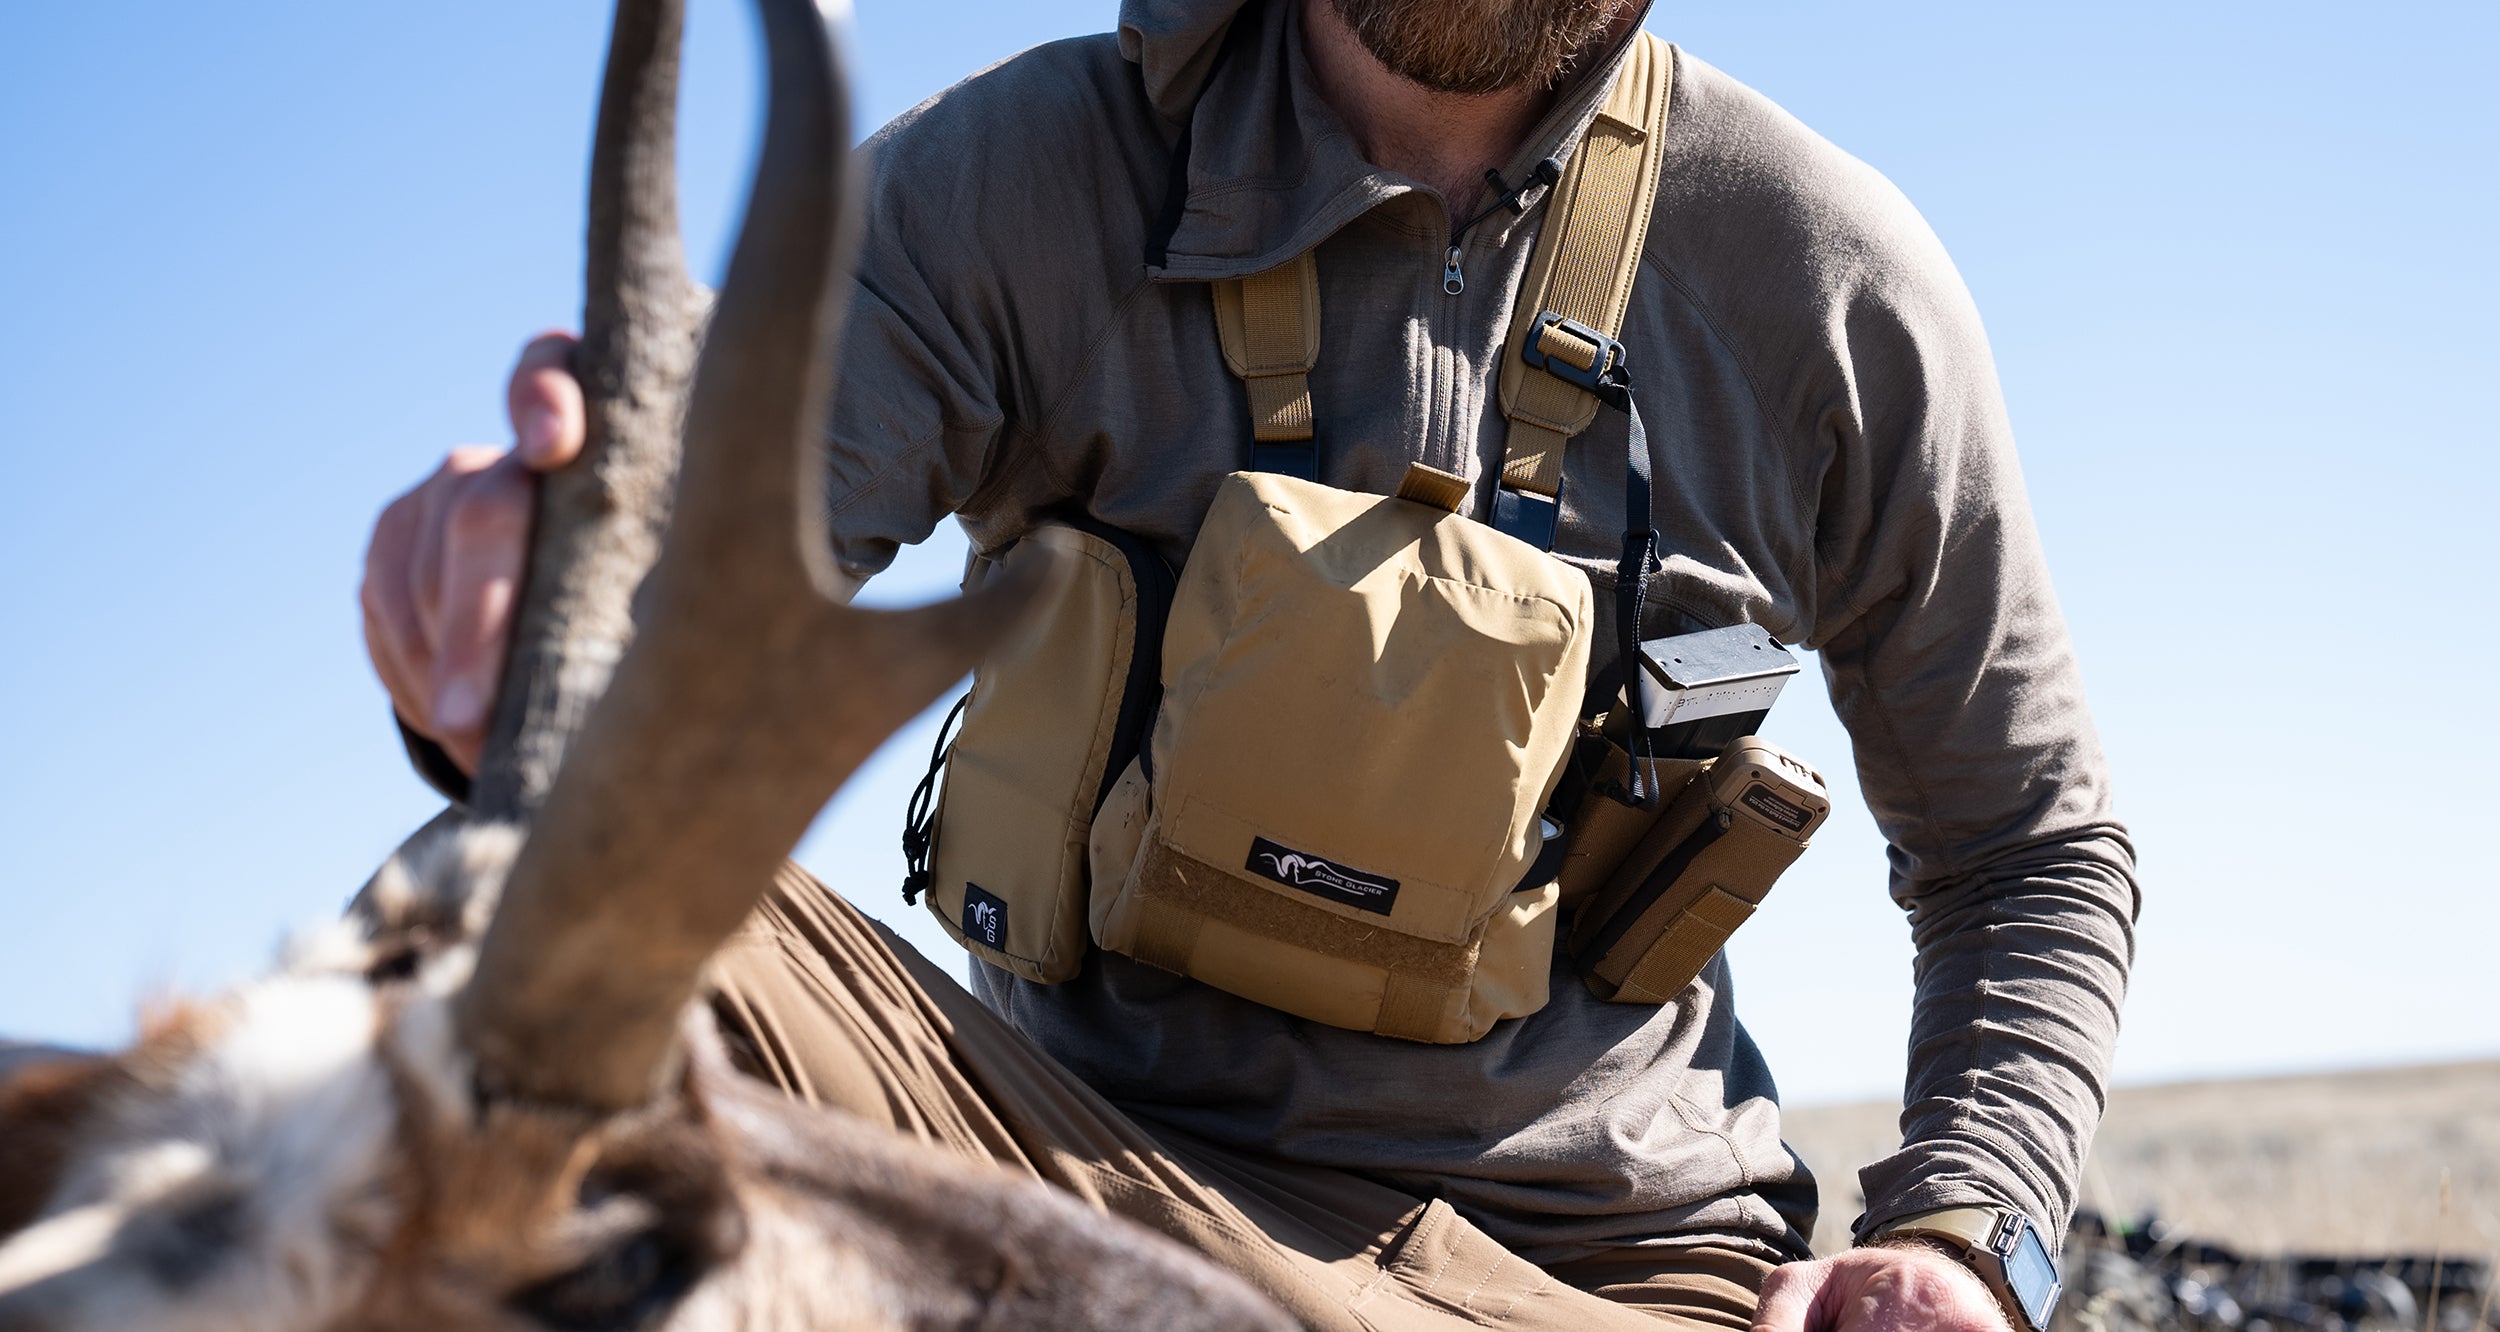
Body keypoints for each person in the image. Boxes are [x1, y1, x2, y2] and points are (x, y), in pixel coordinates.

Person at [361, 0, 2138, 1327]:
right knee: (530, 939)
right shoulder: (1010, 181)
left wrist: (1963, 1239)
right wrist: (519, 612)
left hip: (1604, 1274)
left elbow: (2029, 850)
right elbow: (682, 592)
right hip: (1063, 1183)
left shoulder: (1829, 278)